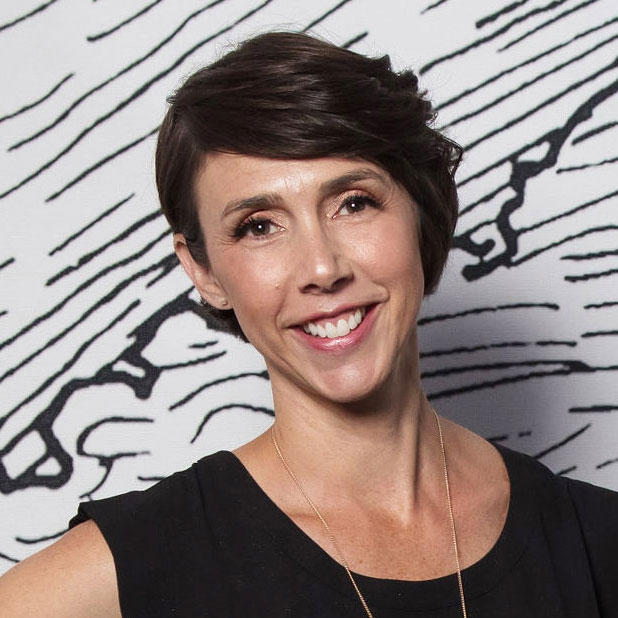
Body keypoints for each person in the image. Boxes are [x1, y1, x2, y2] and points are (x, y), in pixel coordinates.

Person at [1, 31, 617, 618]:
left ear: (421, 212)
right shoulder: (139, 561)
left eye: (353, 203)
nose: (321, 268)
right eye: (259, 226)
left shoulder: (598, 545)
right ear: (203, 269)